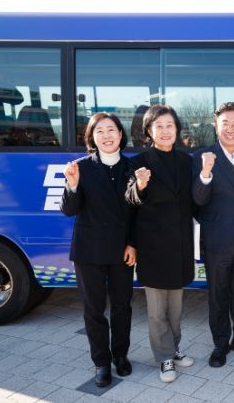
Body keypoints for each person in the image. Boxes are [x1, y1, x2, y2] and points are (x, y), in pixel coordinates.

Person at [60, 112, 136, 388]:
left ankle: (121, 355)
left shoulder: (132, 167)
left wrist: (133, 243)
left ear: (120, 134)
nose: (106, 136)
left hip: (122, 250)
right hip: (89, 250)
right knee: (94, 310)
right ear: (92, 137)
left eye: (111, 130)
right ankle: (101, 362)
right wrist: (73, 184)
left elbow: (139, 213)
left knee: (122, 307)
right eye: (99, 131)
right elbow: (69, 210)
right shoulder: (81, 168)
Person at [125, 105, 195, 383]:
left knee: (175, 309)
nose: (165, 131)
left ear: (177, 130)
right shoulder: (139, 162)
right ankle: (163, 357)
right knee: (157, 311)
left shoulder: (186, 161)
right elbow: (130, 202)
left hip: (180, 244)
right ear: (149, 131)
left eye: (170, 126)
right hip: (153, 246)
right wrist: (140, 185)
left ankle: (174, 348)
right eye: (159, 126)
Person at [193, 102, 234, 368]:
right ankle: (220, 345)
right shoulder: (202, 156)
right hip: (216, 241)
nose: (230, 129)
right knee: (218, 297)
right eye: (225, 124)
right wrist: (205, 173)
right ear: (216, 127)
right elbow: (197, 200)